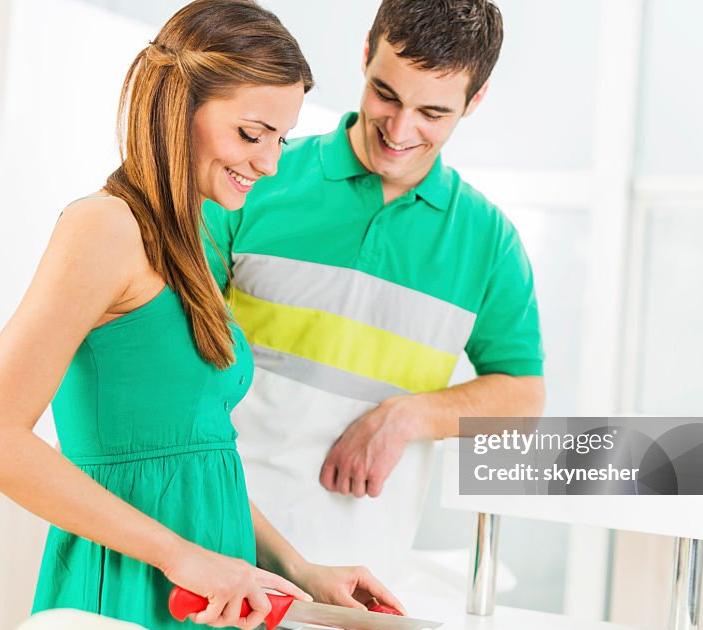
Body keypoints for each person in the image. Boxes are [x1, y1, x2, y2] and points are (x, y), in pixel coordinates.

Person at [0, 0, 399, 630]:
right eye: (253, 134)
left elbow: (194, 459)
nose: (271, 163)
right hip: (132, 599)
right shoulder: (103, 228)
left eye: (280, 138)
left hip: (212, 597)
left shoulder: (191, 243)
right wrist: (183, 556)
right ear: (178, 107)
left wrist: (303, 571)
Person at [203, 0, 546, 583]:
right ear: (366, 55)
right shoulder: (255, 178)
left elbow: (522, 396)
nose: (399, 129)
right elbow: (178, 351)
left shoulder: (489, 242)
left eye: (432, 112)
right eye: (386, 94)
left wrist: (411, 416)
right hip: (214, 543)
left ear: (475, 100)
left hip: (360, 578)